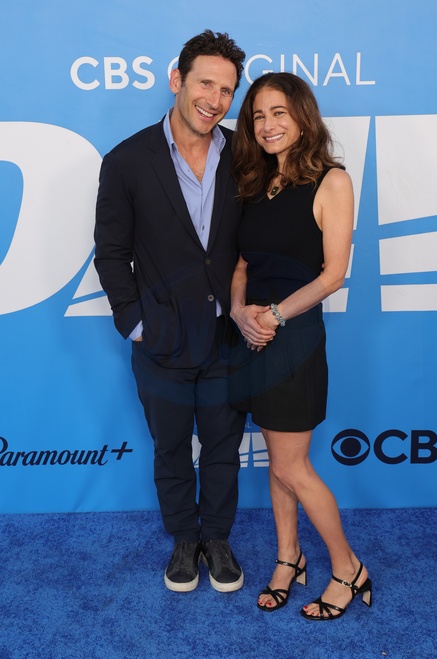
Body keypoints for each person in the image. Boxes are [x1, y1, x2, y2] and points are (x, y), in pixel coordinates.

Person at [94, 30, 247, 594]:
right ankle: (185, 538)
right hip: (161, 336)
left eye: (227, 90)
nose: (215, 99)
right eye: (206, 83)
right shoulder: (127, 160)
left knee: (224, 447)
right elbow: (111, 252)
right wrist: (136, 324)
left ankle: (218, 538)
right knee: (171, 446)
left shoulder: (245, 155)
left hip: (228, 335)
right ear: (177, 80)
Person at [229, 72, 372, 619]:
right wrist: (240, 311)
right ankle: (289, 557)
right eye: (258, 116)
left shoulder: (332, 181)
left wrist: (273, 316)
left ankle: (348, 567)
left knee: (292, 466)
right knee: (278, 460)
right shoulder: (256, 181)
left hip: (293, 339)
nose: (267, 125)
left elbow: (333, 274)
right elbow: (242, 263)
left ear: (303, 117)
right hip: (251, 335)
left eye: (279, 113)